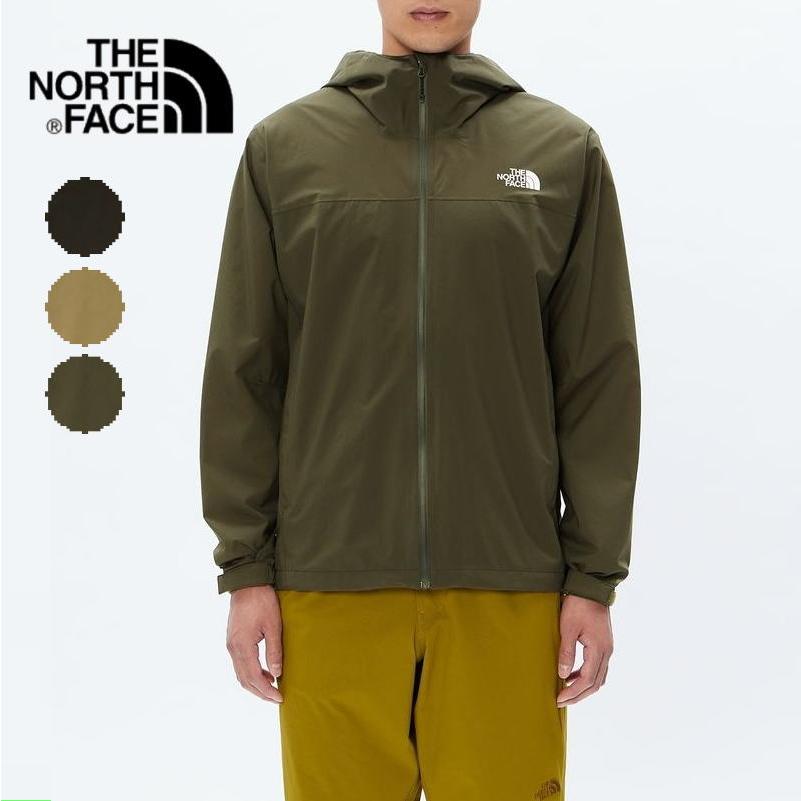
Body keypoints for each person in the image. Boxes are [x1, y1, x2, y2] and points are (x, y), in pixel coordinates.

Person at [199, 1, 640, 798]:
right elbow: (245, 367)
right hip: (329, 579)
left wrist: (591, 577)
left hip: (508, 582)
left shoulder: (560, 150)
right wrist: (246, 569)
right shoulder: (285, 148)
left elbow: (596, 375)